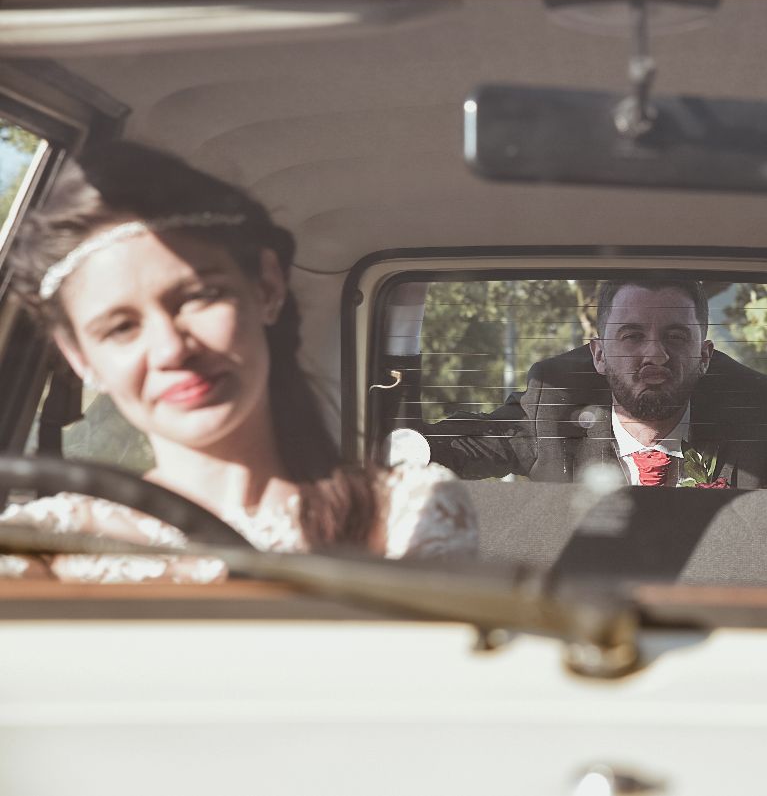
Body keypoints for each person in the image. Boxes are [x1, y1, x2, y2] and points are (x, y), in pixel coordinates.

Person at [0, 142, 476, 583]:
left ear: (266, 287)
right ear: (79, 357)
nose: (171, 350)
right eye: (121, 328)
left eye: (199, 296)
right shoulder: (43, 546)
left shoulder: (402, 515)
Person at [418, 279, 767, 488]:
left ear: (705, 356)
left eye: (675, 336)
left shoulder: (758, 414)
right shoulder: (553, 411)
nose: (655, 354)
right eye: (632, 336)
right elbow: (438, 447)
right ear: (599, 354)